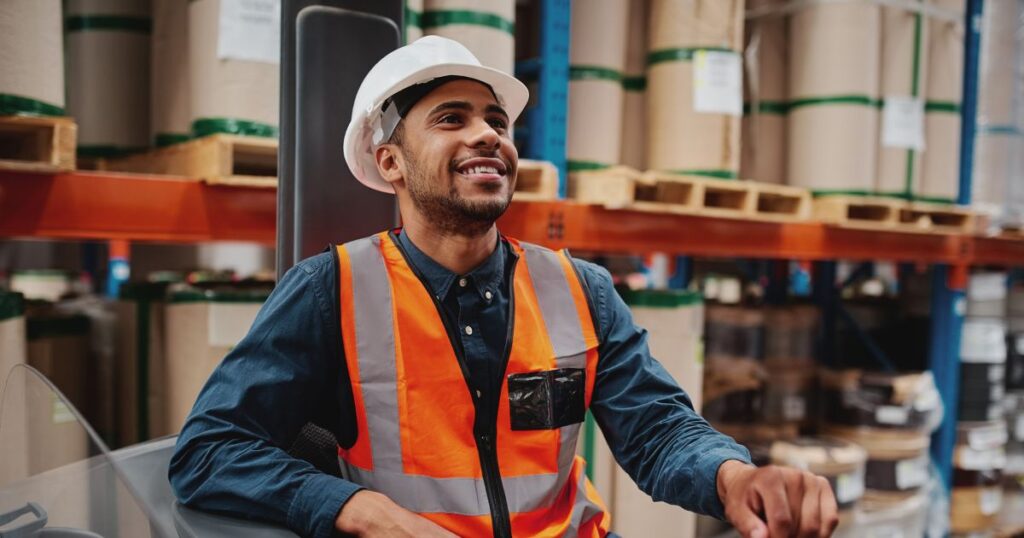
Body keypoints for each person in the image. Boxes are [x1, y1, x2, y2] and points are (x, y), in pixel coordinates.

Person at [169, 36, 838, 538]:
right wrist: (354, 508)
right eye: (452, 119)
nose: (488, 135)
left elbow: (659, 429)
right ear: (391, 162)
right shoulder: (330, 290)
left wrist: (733, 475)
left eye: (497, 121)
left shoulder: (580, 290)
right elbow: (209, 449)